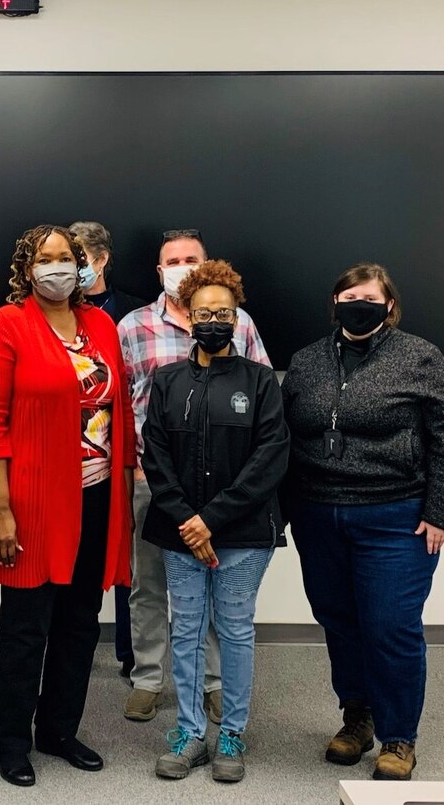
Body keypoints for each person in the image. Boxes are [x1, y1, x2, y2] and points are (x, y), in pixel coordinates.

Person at [282, 263, 444, 782]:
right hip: (318, 515)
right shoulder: (307, 361)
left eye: (368, 296)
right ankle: (357, 719)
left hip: (396, 517)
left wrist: (441, 512)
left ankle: (398, 737)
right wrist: (280, 511)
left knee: (390, 625)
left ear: (388, 305)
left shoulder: (420, 357)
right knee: (339, 622)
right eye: (347, 296)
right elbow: (283, 437)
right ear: (334, 304)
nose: (356, 304)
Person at [0, 224, 136, 787]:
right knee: (26, 628)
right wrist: (0, 509)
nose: (58, 267)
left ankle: (59, 730)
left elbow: (118, 411)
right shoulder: (8, 324)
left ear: (83, 265)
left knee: (81, 623)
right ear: (27, 267)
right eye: (45, 259)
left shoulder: (100, 324)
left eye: (66, 257)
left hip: (97, 499)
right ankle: (12, 740)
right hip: (34, 503)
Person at [142, 260, 289, 784]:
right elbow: (154, 453)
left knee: (234, 629)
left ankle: (231, 733)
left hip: (245, 534)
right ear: (187, 313)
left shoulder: (261, 381)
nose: (213, 319)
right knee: (185, 630)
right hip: (181, 532)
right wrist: (189, 521)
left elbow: (270, 456)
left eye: (223, 311)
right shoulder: (167, 380)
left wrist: (213, 520)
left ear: (236, 317)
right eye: (203, 311)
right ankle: (187, 732)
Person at [117, 229, 271, 724]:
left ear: (207, 266)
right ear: (159, 271)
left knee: (211, 585)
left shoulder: (239, 322)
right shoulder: (133, 326)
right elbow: (117, 403)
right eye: (172, 260)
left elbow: (262, 395)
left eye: (191, 258)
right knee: (149, 585)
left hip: (223, 486)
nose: (182, 265)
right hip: (153, 480)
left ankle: (212, 683)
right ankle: (147, 678)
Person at [70, 220, 147, 678]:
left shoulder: (135, 313)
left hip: (124, 446)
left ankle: (130, 650)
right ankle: (69, 639)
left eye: (81, 259)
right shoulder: (53, 311)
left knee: (128, 552)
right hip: (74, 452)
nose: (73, 268)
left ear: (101, 260)